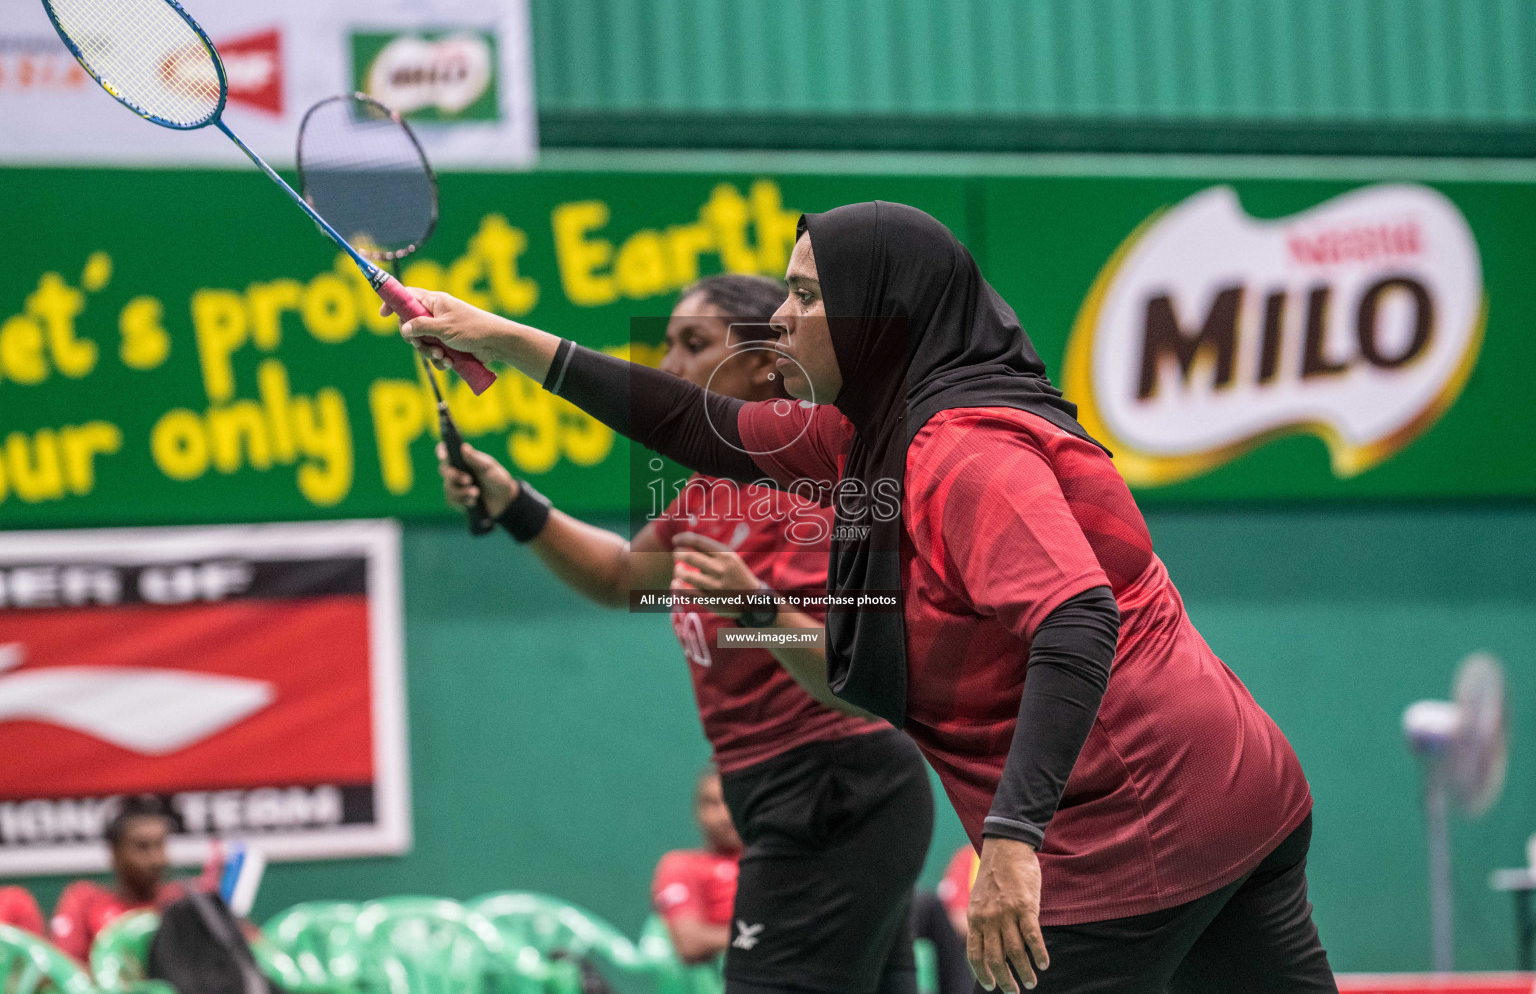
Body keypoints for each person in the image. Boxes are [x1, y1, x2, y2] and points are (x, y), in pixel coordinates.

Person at [399, 202, 1336, 994]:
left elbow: (1078, 617)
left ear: (878, 312)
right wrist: (494, 335)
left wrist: (1012, 844)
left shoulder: (960, 451)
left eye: (807, 296)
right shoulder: (870, 437)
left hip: (1127, 831)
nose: (788, 318)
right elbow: (697, 423)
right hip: (1237, 793)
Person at [437, 273, 934, 994]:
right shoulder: (709, 486)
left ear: (767, 362)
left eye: (692, 344)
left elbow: (850, 677)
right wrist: (515, 504)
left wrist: (758, 609)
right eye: (667, 344)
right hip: (769, 789)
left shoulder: (810, 486)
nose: (670, 366)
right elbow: (621, 577)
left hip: (834, 788)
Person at [51, 796, 189, 962]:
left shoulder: (182, 904)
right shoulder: (85, 903)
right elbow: (65, 970)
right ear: (115, 854)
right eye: (143, 847)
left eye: (161, 845)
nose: (157, 859)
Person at [651, 767, 743, 966]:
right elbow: (689, 943)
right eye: (713, 803)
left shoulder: (779, 864)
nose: (724, 815)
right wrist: (769, 938)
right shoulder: (680, 865)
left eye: (734, 800)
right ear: (698, 811)